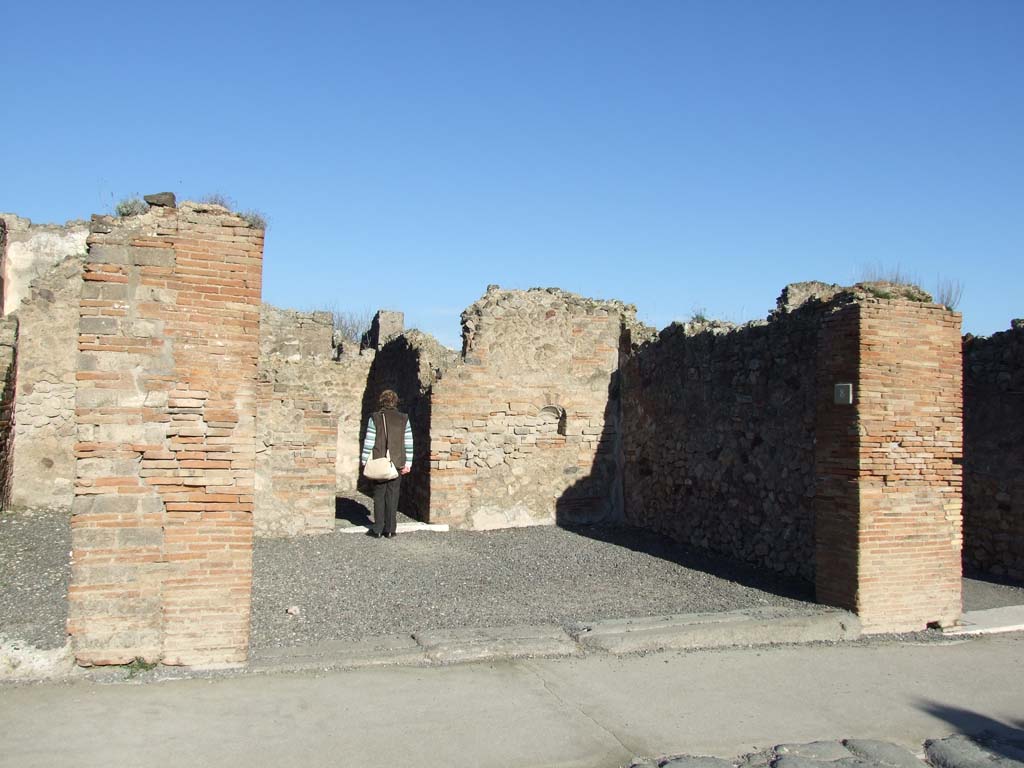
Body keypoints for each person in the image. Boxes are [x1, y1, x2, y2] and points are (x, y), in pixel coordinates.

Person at [360, 389, 413, 538]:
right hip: (397, 462)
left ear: (381, 401)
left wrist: (365, 461)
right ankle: (390, 530)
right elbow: (409, 442)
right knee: (393, 495)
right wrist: (408, 463)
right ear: (395, 402)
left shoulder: (375, 418)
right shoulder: (404, 419)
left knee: (379, 494)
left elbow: (369, 441)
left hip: (379, 461)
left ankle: (377, 529)